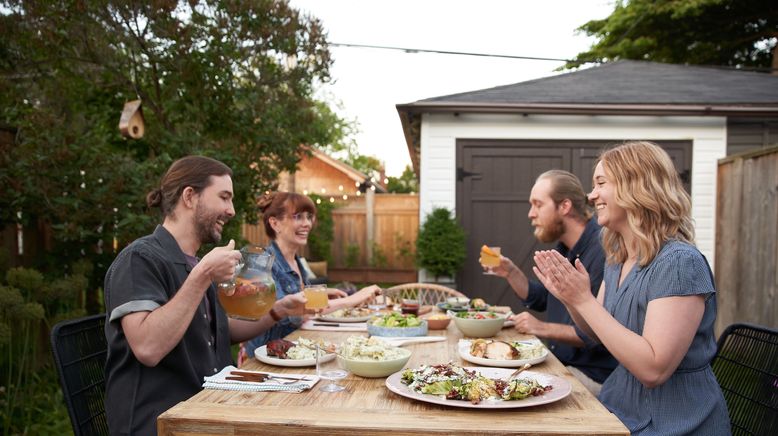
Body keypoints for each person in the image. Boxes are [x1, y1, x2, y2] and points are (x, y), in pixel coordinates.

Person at [533, 141, 730, 435]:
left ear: (637, 187)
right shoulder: (618, 259)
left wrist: (583, 300)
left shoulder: (679, 263)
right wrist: (571, 298)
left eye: (601, 183)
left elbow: (654, 369)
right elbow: (594, 335)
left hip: (674, 422)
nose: (591, 195)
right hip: (619, 408)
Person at [103, 156, 309, 436]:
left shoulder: (193, 261)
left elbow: (223, 330)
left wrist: (279, 310)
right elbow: (148, 347)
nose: (232, 210)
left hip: (212, 409)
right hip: (162, 423)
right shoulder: (139, 260)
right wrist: (202, 276)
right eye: (224, 197)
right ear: (190, 196)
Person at [485, 170, 616, 394]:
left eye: (537, 204)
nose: (530, 214)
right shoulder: (565, 248)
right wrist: (511, 272)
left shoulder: (603, 251)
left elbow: (595, 335)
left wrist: (541, 327)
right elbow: (542, 299)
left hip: (591, 376)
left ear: (564, 207)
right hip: (559, 363)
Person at [243, 191, 380, 357]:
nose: (307, 223)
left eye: (309, 217)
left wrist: (324, 294)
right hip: (267, 360)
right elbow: (292, 311)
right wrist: (351, 300)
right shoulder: (261, 262)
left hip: (295, 353)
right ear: (275, 223)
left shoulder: (297, 261)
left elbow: (298, 296)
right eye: (298, 217)